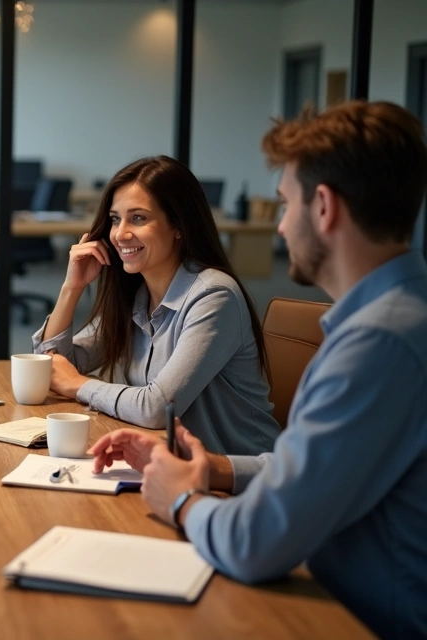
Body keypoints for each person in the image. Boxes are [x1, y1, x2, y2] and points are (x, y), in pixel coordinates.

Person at [90, 101, 427, 637]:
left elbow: (256, 542)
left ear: (324, 207)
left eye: (286, 205)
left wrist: (179, 500)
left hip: (351, 618)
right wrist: (212, 471)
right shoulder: (393, 318)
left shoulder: (377, 345)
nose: (281, 226)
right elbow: (310, 473)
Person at [33, 155, 278, 455]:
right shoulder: (136, 294)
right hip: (169, 462)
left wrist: (77, 385)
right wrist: (72, 288)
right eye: (114, 219)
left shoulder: (214, 296)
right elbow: (50, 368)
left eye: (138, 218)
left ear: (178, 225)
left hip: (234, 477)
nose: (120, 233)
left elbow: (157, 408)